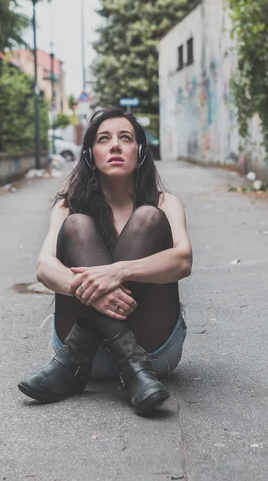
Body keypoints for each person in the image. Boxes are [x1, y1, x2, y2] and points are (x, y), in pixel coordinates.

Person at [18, 108, 193, 415]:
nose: (115, 145)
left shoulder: (166, 203)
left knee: (148, 218)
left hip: (153, 349)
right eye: (104, 139)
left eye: (125, 138)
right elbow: (44, 268)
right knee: (77, 226)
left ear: (139, 153)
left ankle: (123, 364)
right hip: (89, 359)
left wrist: (117, 272)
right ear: (89, 155)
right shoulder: (67, 206)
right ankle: (131, 367)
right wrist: (92, 289)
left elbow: (182, 261)